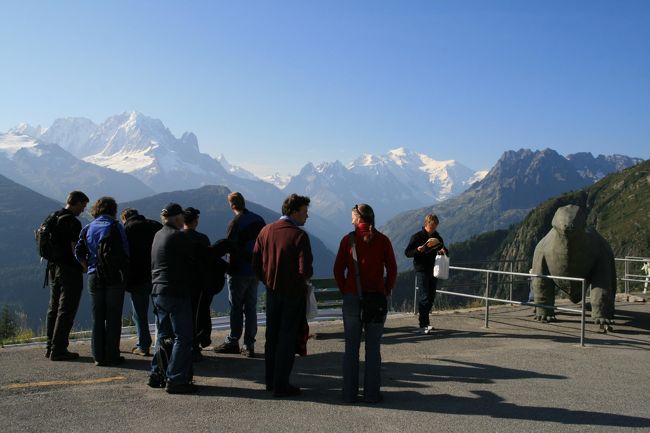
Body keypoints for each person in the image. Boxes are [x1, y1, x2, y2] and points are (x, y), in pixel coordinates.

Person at [334, 203, 397, 403]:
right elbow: (392, 270)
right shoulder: (383, 240)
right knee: (373, 348)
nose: (350, 218)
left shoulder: (348, 240)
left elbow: (338, 270)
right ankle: (371, 394)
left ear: (357, 218)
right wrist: (385, 290)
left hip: (353, 299)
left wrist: (347, 291)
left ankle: (349, 394)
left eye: (352, 216)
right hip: (377, 300)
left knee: (351, 349)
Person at [252, 194, 313, 397]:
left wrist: (267, 280)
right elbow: (305, 271)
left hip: (272, 291)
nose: (307, 216)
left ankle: (270, 380)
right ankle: (282, 384)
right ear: (294, 212)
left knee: (272, 336)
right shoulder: (299, 235)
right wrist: (300, 281)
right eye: (305, 211)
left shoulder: (265, 231)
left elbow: (255, 263)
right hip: (293, 294)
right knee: (287, 337)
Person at [148, 203, 197, 394]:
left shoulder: (158, 234)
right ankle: (176, 378)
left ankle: (156, 373)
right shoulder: (178, 236)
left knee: (163, 334)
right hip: (176, 290)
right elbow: (192, 260)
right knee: (183, 337)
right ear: (178, 219)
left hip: (158, 290)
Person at [75, 196, 129, 366]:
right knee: (113, 316)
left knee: (97, 317)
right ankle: (112, 354)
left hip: (94, 275)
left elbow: (78, 251)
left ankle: (98, 356)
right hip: (114, 276)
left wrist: (87, 266)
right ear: (113, 209)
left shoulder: (88, 227)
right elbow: (126, 251)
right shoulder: (116, 226)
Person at [214, 192, 266, 358]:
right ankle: (249, 344)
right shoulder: (259, 220)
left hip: (238, 271)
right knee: (250, 307)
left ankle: (233, 340)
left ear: (232, 206)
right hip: (255, 271)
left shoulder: (235, 223)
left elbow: (228, 247)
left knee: (236, 307)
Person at [44, 190, 89, 361]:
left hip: (53, 268)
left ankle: (50, 346)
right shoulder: (72, 222)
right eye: (82, 206)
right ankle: (59, 349)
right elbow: (74, 249)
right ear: (76, 203)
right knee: (67, 309)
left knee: (53, 307)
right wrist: (84, 266)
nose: (83, 210)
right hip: (69, 270)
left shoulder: (52, 216)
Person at [121, 208, 162, 356]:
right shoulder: (155, 225)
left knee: (139, 313)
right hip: (157, 275)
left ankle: (143, 345)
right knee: (160, 311)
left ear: (124, 218)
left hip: (136, 277)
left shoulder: (125, 229)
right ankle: (161, 344)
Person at [404, 213, 448, 334]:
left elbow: (445, 250)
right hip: (422, 269)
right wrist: (417, 250)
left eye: (435, 226)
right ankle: (423, 324)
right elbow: (407, 253)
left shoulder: (437, 237)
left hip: (434, 269)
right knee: (424, 297)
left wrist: (444, 251)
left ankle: (426, 322)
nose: (434, 229)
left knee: (431, 296)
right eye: (432, 226)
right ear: (426, 224)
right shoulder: (417, 237)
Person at [182, 207, 211, 362]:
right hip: (199, 283)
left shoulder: (178, 237)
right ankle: (196, 343)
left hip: (182, 283)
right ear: (195, 221)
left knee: (183, 315)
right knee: (198, 315)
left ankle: (185, 345)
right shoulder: (203, 239)